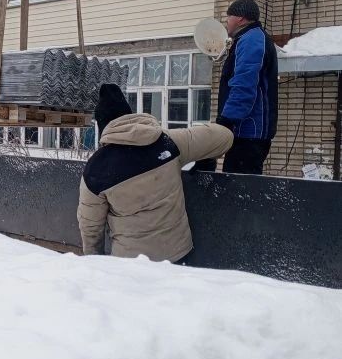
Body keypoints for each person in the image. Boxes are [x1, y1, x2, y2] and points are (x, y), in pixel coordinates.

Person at [77, 83, 233, 263]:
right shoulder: (168, 143)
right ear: (129, 116)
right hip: (178, 256)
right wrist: (207, 154)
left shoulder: (95, 169)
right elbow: (224, 137)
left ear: (102, 126)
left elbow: (90, 227)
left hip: (129, 265)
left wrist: (95, 261)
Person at [216, 0, 278, 175]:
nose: (226, 22)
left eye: (229, 17)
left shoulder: (252, 40)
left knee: (240, 190)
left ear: (240, 19)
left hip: (250, 132)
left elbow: (244, 85)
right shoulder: (248, 38)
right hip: (244, 131)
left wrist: (226, 120)